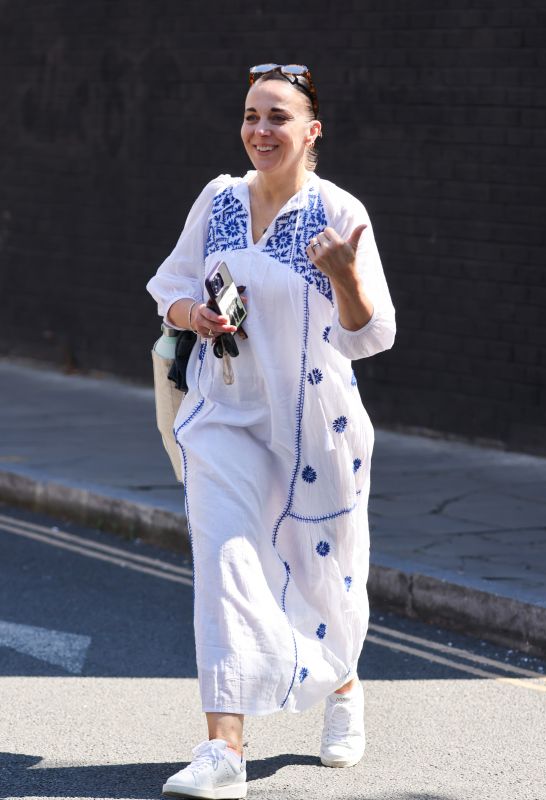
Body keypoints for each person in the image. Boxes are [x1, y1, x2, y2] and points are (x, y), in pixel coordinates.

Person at [146, 63, 396, 799]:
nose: (261, 130)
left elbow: (371, 332)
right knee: (224, 563)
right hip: (224, 414)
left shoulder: (338, 212)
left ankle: (344, 686)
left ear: (311, 131)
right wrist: (195, 315)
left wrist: (346, 276)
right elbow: (171, 286)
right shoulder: (218, 199)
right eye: (252, 115)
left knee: (320, 576)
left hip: (316, 429)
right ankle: (225, 751)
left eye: (278, 117)